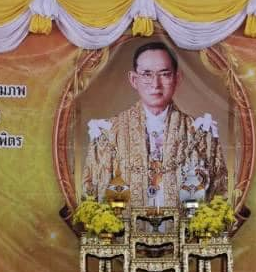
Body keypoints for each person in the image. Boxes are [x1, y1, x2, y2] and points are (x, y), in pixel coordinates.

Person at [84, 41, 226, 207]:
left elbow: (219, 197)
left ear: (177, 78)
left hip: (185, 231)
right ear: (133, 79)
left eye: (164, 74)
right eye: (146, 74)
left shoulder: (202, 133)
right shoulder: (106, 133)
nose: (155, 84)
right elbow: (90, 197)